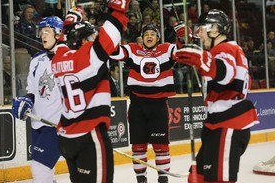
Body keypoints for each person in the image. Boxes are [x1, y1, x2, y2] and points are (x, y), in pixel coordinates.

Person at [50, 0, 136, 183]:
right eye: (89, 37)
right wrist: (119, 10)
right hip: (89, 136)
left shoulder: (58, 59)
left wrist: (71, 21)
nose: (92, 39)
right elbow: (111, 35)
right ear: (81, 40)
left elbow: (63, 41)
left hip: (66, 138)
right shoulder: (90, 57)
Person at [176, 9, 259, 183]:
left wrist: (202, 60)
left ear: (214, 29)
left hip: (228, 124)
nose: (199, 35)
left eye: (202, 30)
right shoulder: (227, 49)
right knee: (196, 177)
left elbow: (226, 73)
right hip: (218, 125)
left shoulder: (224, 49)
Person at [110, 22, 191, 183]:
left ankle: (162, 179)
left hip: (158, 106)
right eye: (146, 34)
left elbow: (182, 53)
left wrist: (182, 35)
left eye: (152, 34)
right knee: (138, 146)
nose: (149, 36)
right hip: (137, 106)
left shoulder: (166, 49)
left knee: (161, 145)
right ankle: (141, 179)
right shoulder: (133, 49)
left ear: (158, 38)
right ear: (142, 38)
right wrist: (113, 32)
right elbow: (114, 51)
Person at [11, 16, 65, 183]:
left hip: (57, 124)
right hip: (38, 122)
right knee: (46, 170)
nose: (43, 35)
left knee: (39, 168)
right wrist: (27, 100)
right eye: (41, 32)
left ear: (58, 34)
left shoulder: (69, 58)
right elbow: (32, 90)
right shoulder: (36, 60)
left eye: (47, 31)